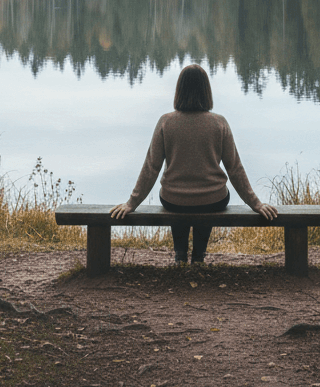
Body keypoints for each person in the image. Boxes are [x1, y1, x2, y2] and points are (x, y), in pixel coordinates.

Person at [110, 63, 278, 265]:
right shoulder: (219, 123)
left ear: (179, 91)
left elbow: (151, 167)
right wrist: (256, 203)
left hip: (173, 199)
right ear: (207, 91)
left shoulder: (166, 122)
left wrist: (132, 203)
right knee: (206, 198)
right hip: (213, 200)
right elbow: (234, 168)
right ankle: (198, 256)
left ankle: (180, 255)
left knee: (178, 199)